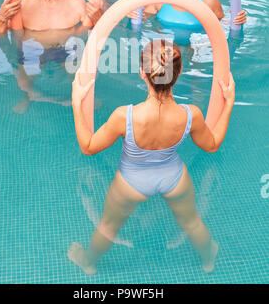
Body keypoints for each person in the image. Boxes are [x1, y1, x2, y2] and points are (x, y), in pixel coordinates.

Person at [68, 39, 235, 274]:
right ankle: (208, 258)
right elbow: (212, 145)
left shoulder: (124, 116)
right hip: (174, 178)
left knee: (107, 227)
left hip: (131, 182)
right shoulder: (191, 115)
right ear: (177, 74)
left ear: (142, 74)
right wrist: (228, 104)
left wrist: (77, 103)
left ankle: (88, 263)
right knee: (192, 222)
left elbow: (88, 147)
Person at [0, 0, 102, 112]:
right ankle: (28, 95)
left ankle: (80, 98)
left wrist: (98, 19)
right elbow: (1, 35)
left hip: (65, 51)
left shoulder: (76, 2)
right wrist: (2, 19)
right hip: (33, 51)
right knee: (18, 69)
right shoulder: (22, 4)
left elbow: (90, 35)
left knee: (91, 71)